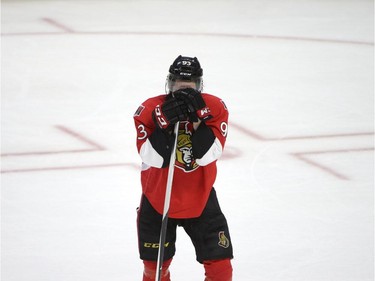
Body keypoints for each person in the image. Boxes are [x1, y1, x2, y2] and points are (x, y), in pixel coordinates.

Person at [133, 55, 233, 281]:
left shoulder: (215, 108)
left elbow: (207, 156)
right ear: (169, 83)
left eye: (190, 87)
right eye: (179, 85)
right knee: (155, 270)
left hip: (201, 197)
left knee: (221, 269)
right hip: (158, 199)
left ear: (200, 85)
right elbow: (153, 158)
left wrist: (197, 119)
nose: (184, 92)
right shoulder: (149, 109)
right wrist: (164, 124)